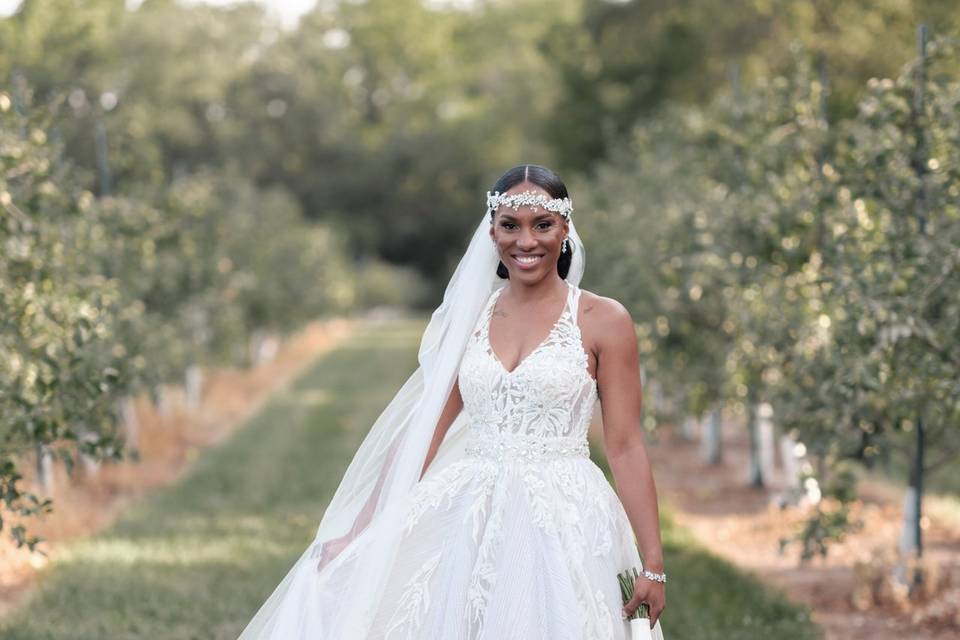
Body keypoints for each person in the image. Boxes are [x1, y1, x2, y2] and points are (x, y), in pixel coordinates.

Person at [237, 164, 667, 639]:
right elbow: (423, 434)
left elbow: (625, 445)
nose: (526, 242)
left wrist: (653, 563)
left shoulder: (604, 319)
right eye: (511, 226)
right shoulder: (469, 320)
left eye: (542, 225)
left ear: (565, 228)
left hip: (564, 519)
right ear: (493, 231)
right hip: (471, 514)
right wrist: (358, 532)